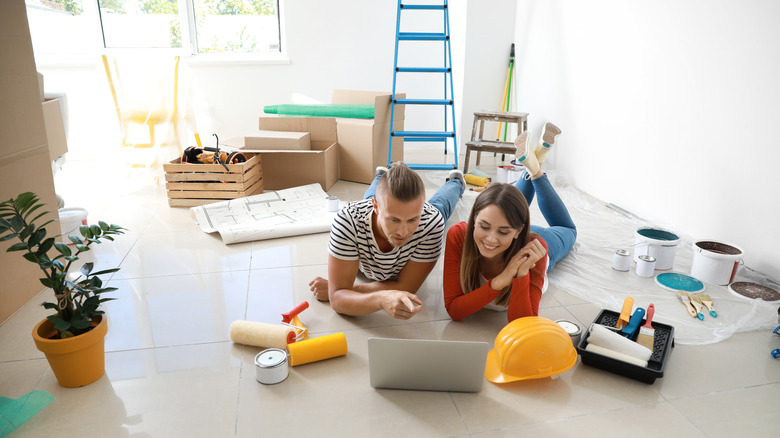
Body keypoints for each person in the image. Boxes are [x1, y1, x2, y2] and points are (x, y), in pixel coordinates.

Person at [443, 123, 576, 322]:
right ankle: (534, 164)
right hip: (511, 229)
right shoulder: (459, 234)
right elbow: (454, 310)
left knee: (569, 230)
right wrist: (501, 280)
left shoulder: (534, 249)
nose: (491, 239)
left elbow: (523, 324)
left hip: (534, 240)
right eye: (484, 226)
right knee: (504, 203)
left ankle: (536, 171)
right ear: (474, 219)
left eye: (503, 232)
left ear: (517, 231)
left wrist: (521, 273)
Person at [309, 162, 466, 319]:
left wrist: (344, 291)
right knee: (370, 198)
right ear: (376, 208)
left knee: (441, 206)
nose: (403, 232)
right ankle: (380, 176)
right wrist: (380, 300)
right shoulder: (348, 220)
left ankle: (456, 182)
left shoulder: (430, 222)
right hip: (370, 211)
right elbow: (338, 302)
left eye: (412, 219)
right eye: (394, 220)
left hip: (419, 212)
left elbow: (405, 287)